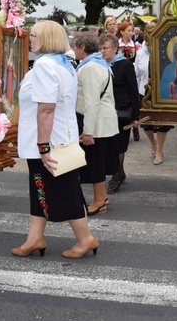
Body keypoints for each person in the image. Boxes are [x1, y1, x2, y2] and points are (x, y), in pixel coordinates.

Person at [11, 21, 98, 259]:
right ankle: (34, 238)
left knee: (64, 190)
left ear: (48, 38)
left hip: (48, 142)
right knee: (40, 187)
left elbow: (47, 108)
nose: (31, 39)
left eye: (35, 35)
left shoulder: (45, 65)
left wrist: (43, 146)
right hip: (58, 138)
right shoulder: (62, 63)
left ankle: (85, 239)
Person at [73, 32, 118, 216]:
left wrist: (88, 131)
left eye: (75, 46)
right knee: (96, 162)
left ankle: (99, 200)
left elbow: (92, 102)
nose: (73, 50)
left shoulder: (90, 67)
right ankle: (103, 198)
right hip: (101, 120)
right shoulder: (98, 64)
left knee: (95, 163)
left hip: (96, 122)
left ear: (83, 48)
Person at [99, 35, 140, 194]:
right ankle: (120, 172)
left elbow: (133, 90)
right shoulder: (101, 65)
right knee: (111, 143)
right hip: (106, 109)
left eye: (105, 48)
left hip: (122, 110)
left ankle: (116, 176)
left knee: (119, 145)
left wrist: (135, 116)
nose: (102, 51)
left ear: (115, 49)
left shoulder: (125, 65)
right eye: (100, 48)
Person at [134, 23, 173, 165]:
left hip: (161, 92)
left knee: (162, 122)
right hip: (144, 91)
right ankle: (152, 143)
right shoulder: (141, 52)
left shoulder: (163, 51)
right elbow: (137, 74)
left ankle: (160, 150)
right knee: (146, 122)